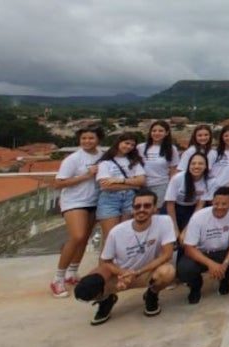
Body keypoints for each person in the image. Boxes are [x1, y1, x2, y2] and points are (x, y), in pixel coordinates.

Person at [73, 189, 176, 325]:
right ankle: (106, 300)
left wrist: (138, 272)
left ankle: (151, 295)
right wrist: (124, 274)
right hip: (120, 276)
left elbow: (167, 254)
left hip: (146, 273)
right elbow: (105, 262)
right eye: (137, 206)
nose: (141, 209)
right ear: (132, 209)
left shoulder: (164, 221)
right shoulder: (117, 232)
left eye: (147, 206)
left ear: (155, 208)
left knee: (168, 272)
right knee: (88, 286)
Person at [50, 126, 103, 298]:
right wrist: (86, 176)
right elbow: (58, 183)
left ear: (98, 140)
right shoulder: (73, 159)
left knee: (85, 238)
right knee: (77, 236)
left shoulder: (102, 156)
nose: (87, 141)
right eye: (84, 138)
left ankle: (72, 272)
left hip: (94, 201)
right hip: (74, 201)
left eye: (91, 138)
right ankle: (58, 278)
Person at [176, 186, 229, 304]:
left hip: (223, 252)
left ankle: (224, 278)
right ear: (212, 201)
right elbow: (189, 248)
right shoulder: (198, 217)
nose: (220, 207)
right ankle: (195, 287)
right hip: (202, 253)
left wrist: (224, 265)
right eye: (216, 203)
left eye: (224, 204)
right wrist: (212, 265)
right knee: (184, 269)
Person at [95, 133, 147, 247]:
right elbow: (106, 186)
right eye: (126, 143)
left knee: (126, 236)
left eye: (132, 145)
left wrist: (119, 180)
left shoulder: (133, 161)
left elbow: (142, 180)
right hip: (110, 200)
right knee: (110, 238)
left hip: (130, 199)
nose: (129, 147)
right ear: (118, 142)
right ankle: (105, 264)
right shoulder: (105, 162)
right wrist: (133, 184)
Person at [164, 152, 208, 235]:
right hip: (174, 208)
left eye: (201, 164)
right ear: (188, 166)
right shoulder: (177, 178)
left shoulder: (209, 181)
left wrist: (186, 229)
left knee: (187, 236)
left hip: (192, 209)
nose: (196, 166)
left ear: (206, 166)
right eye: (193, 163)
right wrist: (175, 228)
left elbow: (200, 206)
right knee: (171, 234)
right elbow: (170, 203)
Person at [137, 121, 179, 205]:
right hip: (143, 185)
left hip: (161, 185)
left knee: (157, 211)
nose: (157, 133)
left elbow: (173, 171)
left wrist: (172, 188)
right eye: (154, 130)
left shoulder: (172, 149)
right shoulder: (140, 147)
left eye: (160, 131)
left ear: (166, 133)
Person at [209, 125, 229, 202]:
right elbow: (207, 171)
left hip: (227, 190)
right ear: (222, 137)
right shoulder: (214, 153)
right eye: (226, 136)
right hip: (212, 189)